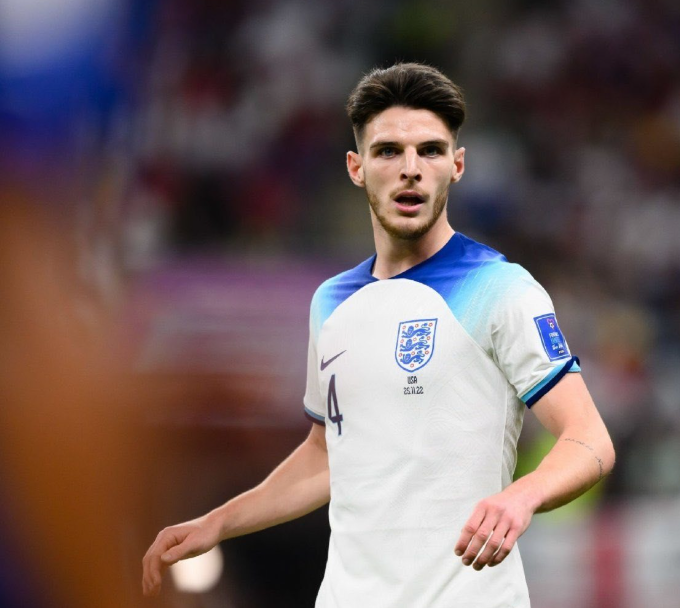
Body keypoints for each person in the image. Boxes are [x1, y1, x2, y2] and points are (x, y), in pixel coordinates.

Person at [142, 62, 615, 607]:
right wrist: (218, 522)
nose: (411, 169)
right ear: (357, 167)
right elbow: (326, 455)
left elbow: (590, 440)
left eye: (430, 151)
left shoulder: (499, 288)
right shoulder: (331, 303)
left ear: (457, 165)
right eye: (388, 151)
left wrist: (521, 497)